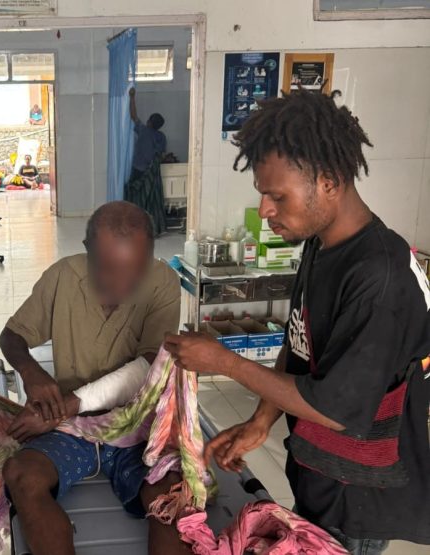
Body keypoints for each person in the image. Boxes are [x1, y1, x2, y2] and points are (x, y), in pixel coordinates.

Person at [164, 90, 430, 554]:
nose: (265, 209)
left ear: (328, 181)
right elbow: (298, 341)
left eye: (277, 196)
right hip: (318, 471)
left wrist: (224, 362)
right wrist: (261, 420)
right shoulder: (321, 244)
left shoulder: (378, 277)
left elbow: (335, 410)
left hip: (357, 498)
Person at [0, 201, 187, 555]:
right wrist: (31, 371)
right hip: (73, 427)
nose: (124, 284)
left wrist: (66, 405)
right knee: (21, 475)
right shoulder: (62, 277)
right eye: (110, 269)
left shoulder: (162, 282)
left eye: (136, 270)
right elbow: (11, 336)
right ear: (88, 251)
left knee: (172, 494)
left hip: (136, 425)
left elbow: (151, 366)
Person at [129, 88, 166, 180]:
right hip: (152, 172)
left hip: (138, 169)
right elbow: (162, 156)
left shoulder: (144, 130)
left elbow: (133, 115)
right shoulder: (162, 137)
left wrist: (132, 97)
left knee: (136, 188)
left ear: (150, 122)